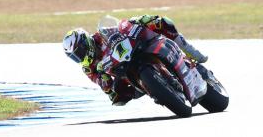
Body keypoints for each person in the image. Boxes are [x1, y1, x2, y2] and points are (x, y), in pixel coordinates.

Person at [62, 14, 208, 106]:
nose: (80, 57)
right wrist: (104, 80)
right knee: (118, 97)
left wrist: (135, 21)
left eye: (79, 52)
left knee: (159, 22)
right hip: (125, 74)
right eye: (76, 57)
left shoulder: (100, 35)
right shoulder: (89, 68)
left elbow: (120, 28)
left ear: (85, 42)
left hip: (134, 50)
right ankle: (156, 91)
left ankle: (190, 50)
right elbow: (104, 87)